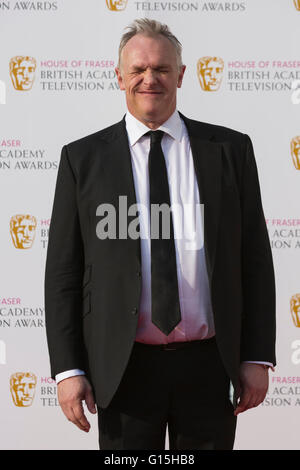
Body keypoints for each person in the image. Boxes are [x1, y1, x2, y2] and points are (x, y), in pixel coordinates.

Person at [45, 18, 276, 450]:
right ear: (119, 77)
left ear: (182, 75)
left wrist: (256, 356)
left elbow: (255, 260)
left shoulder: (229, 150)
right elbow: (63, 275)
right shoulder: (83, 160)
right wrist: (68, 370)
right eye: (137, 69)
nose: (149, 78)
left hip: (209, 366)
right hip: (123, 369)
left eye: (162, 69)